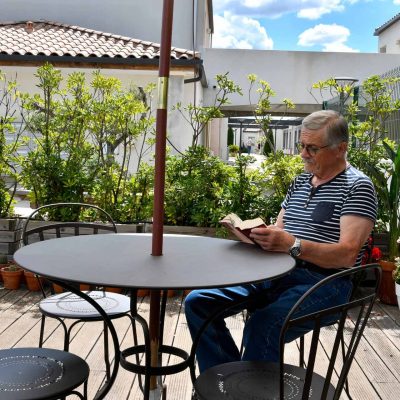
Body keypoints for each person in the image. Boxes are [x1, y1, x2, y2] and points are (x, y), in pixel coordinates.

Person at [185, 110, 377, 373]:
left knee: (265, 324)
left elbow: (346, 254)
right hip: (275, 271)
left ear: (340, 148)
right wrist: (258, 236)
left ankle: (249, 392)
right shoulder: (299, 183)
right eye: (302, 145)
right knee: (198, 302)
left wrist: (291, 245)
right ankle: (226, 381)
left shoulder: (358, 186)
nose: (303, 154)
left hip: (324, 282)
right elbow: (281, 229)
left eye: (312, 148)